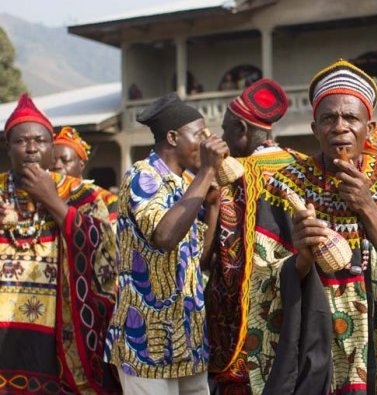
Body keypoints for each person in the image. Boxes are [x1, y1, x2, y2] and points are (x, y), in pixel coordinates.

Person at [246, 60, 377, 393]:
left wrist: (369, 209)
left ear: (369, 127)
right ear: (314, 129)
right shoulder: (284, 187)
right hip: (316, 338)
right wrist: (301, 262)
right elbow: (260, 279)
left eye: (351, 117)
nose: (340, 127)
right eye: (328, 118)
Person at [105, 93, 229, 394]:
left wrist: (212, 206)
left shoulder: (185, 185)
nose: (207, 140)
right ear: (173, 137)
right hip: (146, 340)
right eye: (199, 134)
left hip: (187, 339)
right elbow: (164, 237)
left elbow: (201, 259)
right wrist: (207, 171)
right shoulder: (142, 176)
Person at [0, 94, 119, 393]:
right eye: (20, 141)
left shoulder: (83, 195)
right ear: (7, 146)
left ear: (51, 147)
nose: (30, 148)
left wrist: (52, 201)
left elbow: (107, 253)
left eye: (39, 140)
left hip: (61, 333)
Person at [206, 79, 303, 393]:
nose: (223, 138)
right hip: (298, 308)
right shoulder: (302, 165)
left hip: (248, 330)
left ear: (241, 129)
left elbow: (213, 258)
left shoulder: (235, 175)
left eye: (225, 130)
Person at [51, 126, 118, 224]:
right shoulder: (39, 200)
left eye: (65, 161)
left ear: (81, 165)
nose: (57, 166)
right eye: (52, 161)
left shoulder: (105, 199)